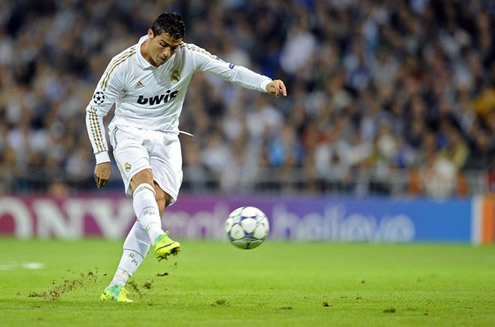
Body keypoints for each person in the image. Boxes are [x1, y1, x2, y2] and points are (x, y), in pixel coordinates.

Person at [85, 12, 287, 303]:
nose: (167, 53)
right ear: (150, 35)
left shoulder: (188, 56)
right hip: (129, 131)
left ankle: (115, 287)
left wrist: (265, 83)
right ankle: (159, 237)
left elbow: (229, 70)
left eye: (174, 47)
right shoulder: (122, 65)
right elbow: (94, 111)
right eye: (164, 44)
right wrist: (101, 156)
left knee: (158, 201)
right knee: (143, 181)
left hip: (167, 136)